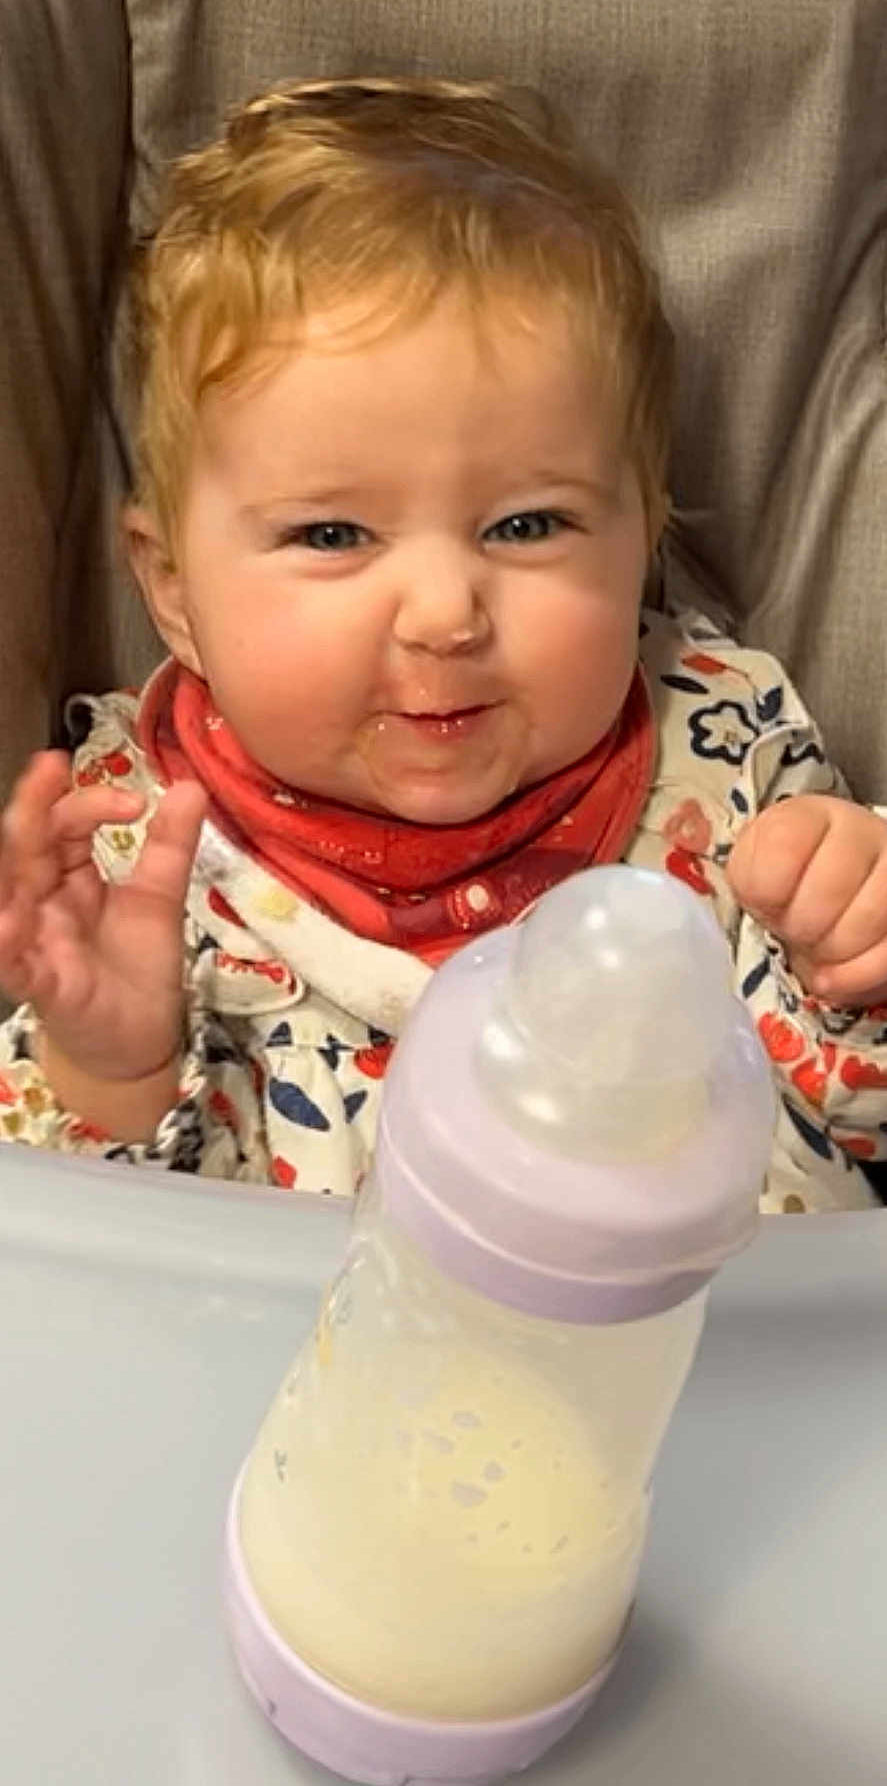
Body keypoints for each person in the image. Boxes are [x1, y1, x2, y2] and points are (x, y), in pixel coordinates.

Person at [1, 75, 886, 1213]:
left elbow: (849, 1120)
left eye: (526, 525)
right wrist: (109, 1070)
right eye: (331, 533)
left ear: (642, 536)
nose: (442, 615)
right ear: (174, 593)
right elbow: (101, 1283)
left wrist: (852, 959)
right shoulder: (131, 844)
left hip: (711, 1365)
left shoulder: (725, 749)